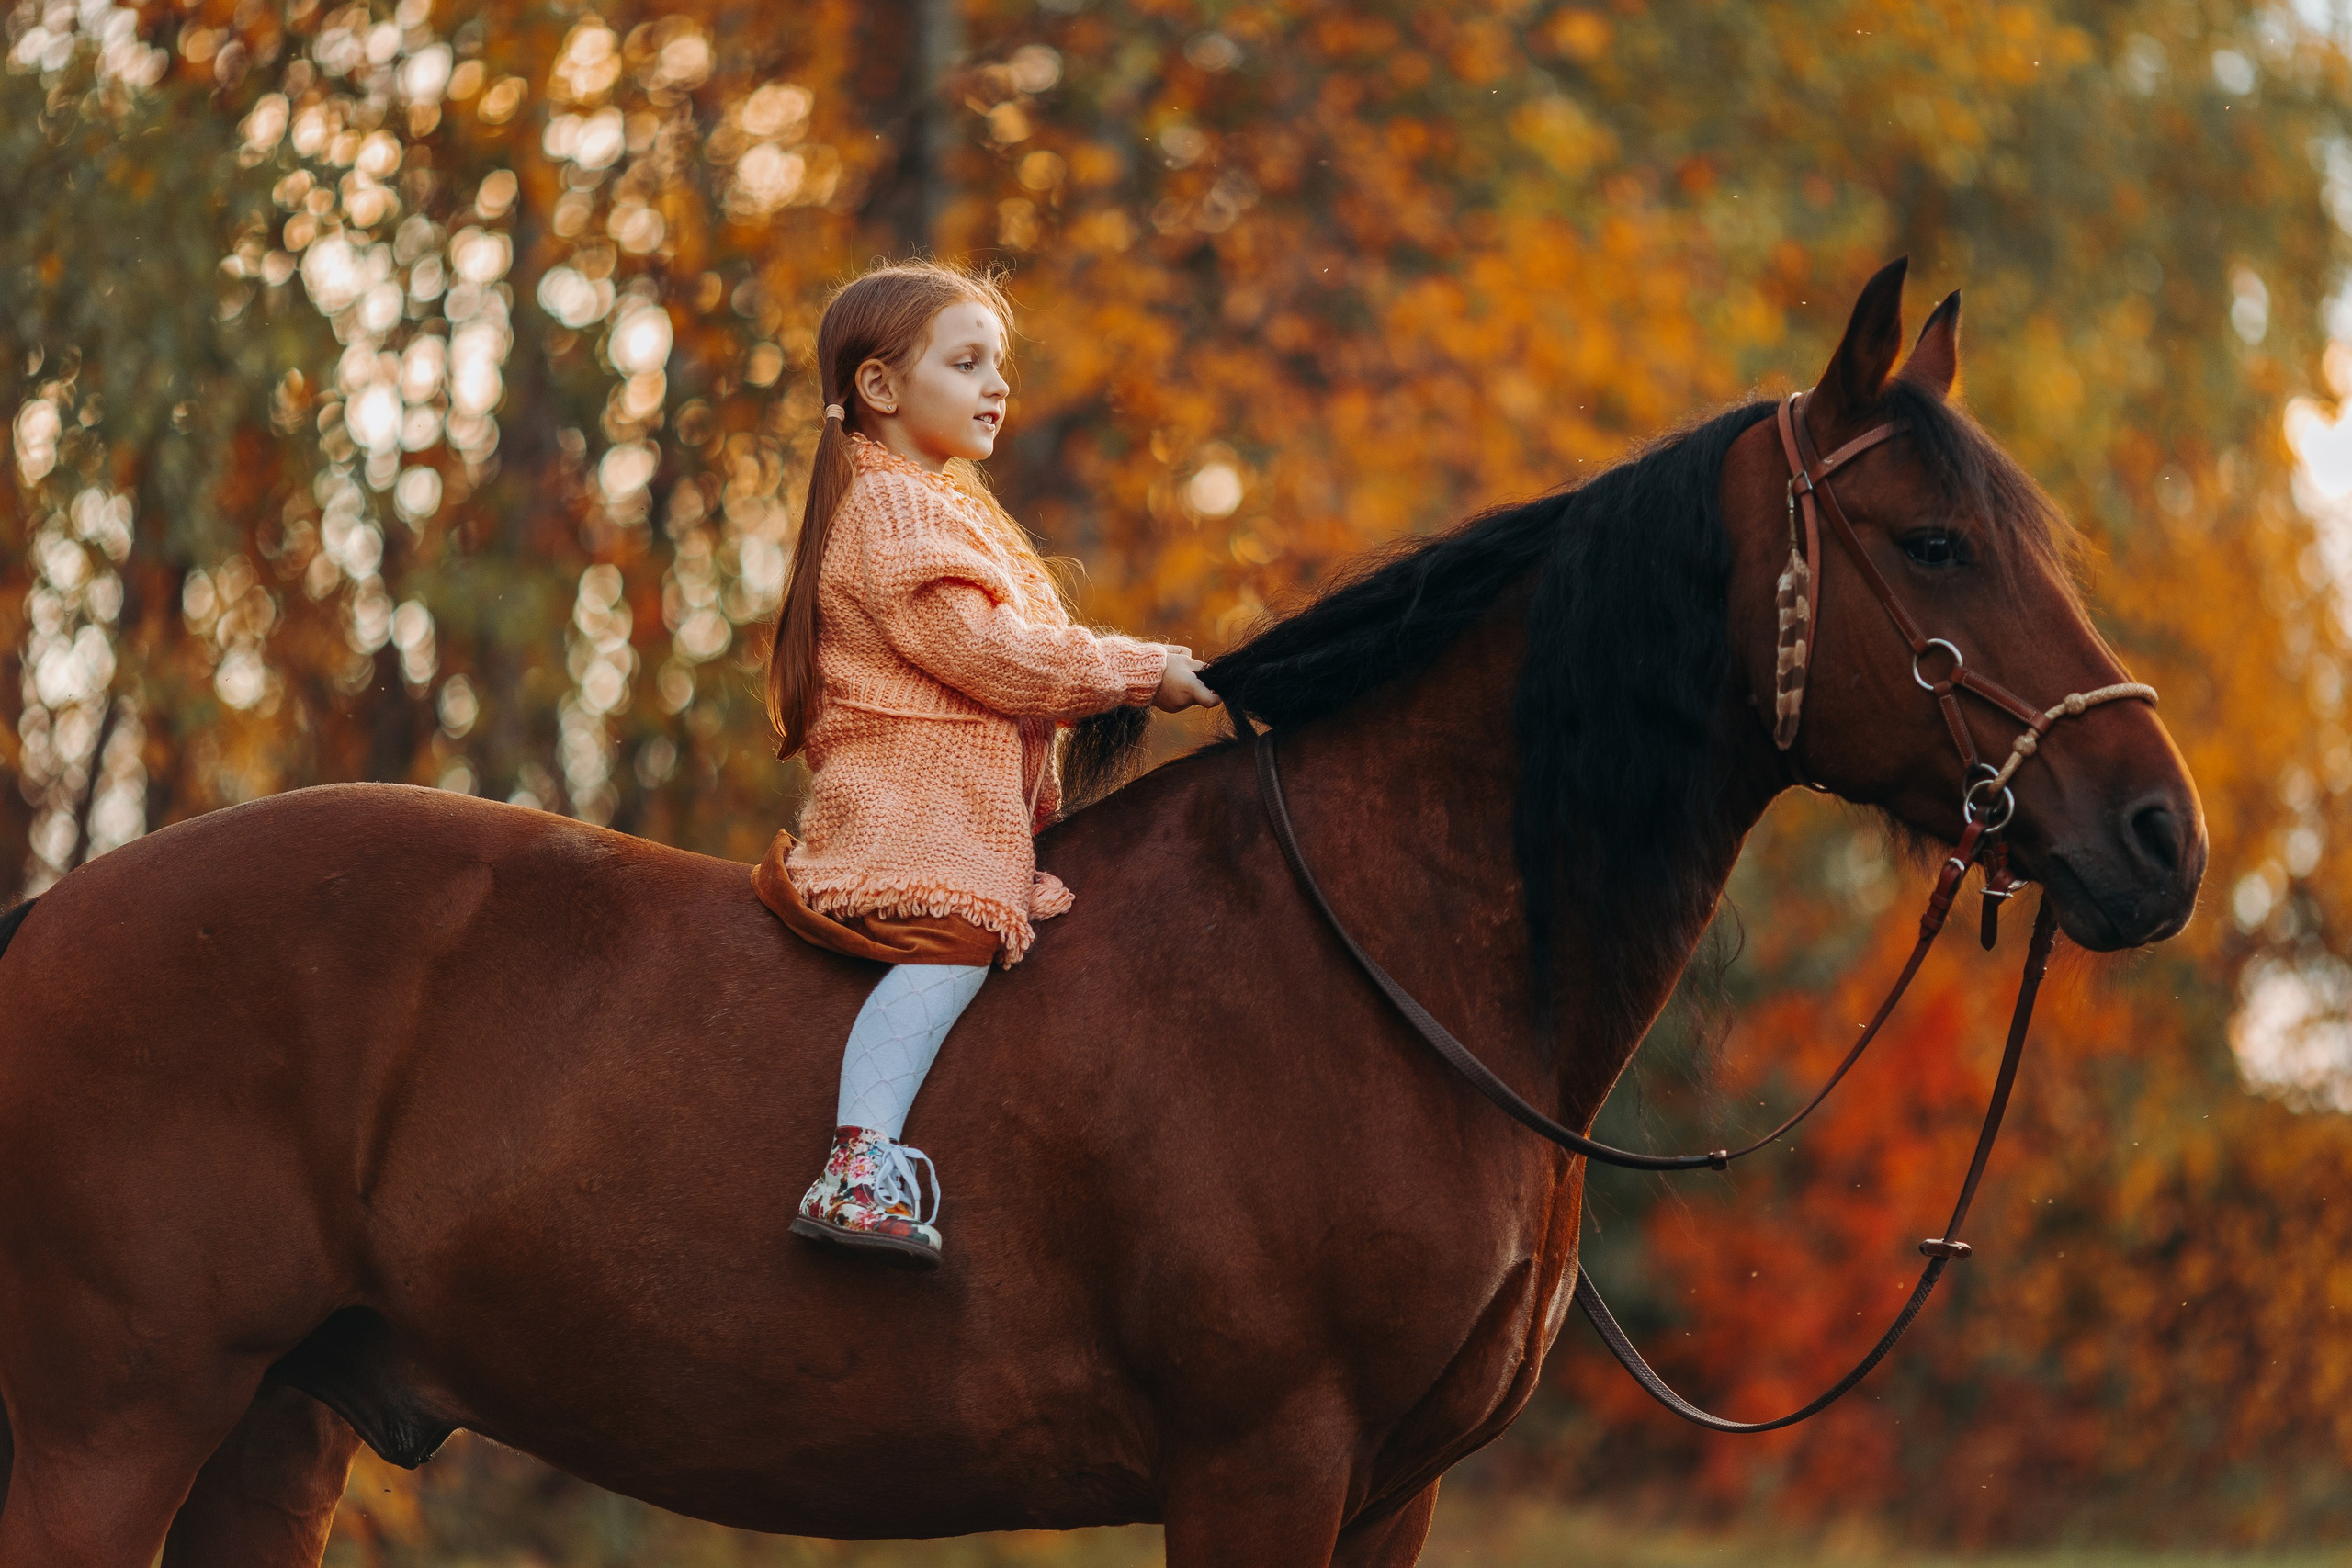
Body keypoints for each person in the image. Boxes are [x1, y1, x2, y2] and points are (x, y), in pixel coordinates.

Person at [755, 261, 1218, 1269]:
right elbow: (996, 657)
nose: (995, 387)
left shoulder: (937, 506)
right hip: (909, 814)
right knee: (957, 930)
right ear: (879, 389)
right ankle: (858, 1160)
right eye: (966, 364)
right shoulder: (894, 514)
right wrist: (1143, 672)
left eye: (997, 365)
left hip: (959, 809)